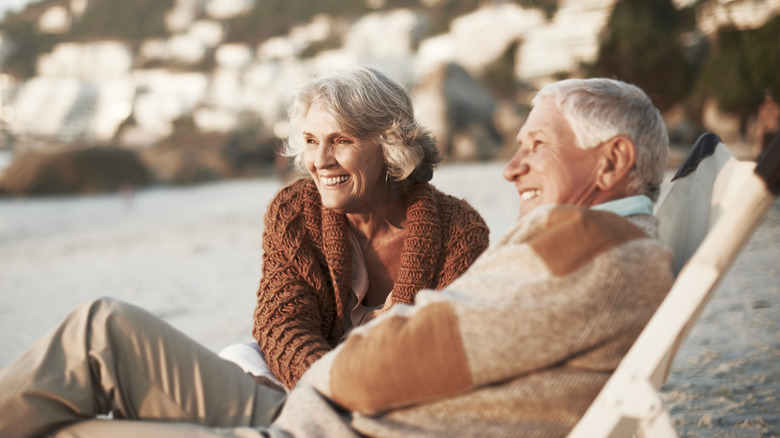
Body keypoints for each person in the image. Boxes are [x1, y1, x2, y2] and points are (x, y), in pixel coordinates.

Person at [0, 77, 674, 438]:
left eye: (536, 146)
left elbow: (416, 355)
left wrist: (318, 381)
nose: (511, 167)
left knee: (69, 416)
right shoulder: (607, 254)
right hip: (316, 405)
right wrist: (304, 378)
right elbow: (285, 323)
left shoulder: (582, 250)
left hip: (324, 422)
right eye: (310, 141)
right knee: (102, 329)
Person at [221, 66, 490, 390]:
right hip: (318, 385)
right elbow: (282, 325)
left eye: (341, 140)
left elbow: (450, 346)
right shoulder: (293, 211)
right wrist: (333, 390)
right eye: (311, 140)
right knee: (236, 357)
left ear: (391, 145)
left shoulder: (459, 229)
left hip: (402, 393)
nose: (320, 160)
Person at [755, 90, 779, 160]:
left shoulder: (776, 108)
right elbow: (760, 122)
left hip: (774, 132)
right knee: (764, 152)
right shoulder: (763, 109)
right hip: (765, 132)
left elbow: (776, 119)